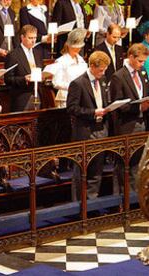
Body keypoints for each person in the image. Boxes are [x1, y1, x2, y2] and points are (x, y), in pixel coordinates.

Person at [67, 51, 111, 200]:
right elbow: (72, 108)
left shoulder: (103, 80)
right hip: (85, 132)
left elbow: (105, 101)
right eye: (101, 69)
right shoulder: (78, 83)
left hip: (101, 130)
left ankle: (92, 204)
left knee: (97, 171)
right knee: (82, 172)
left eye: (105, 69)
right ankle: (79, 207)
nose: (103, 72)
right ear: (92, 66)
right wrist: (93, 112)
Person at [110, 43, 149, 193]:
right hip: (127, 126)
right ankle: (124, 200)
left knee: (140, 164)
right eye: (140, 61)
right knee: (126, 165)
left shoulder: (143, 73)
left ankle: (138, 198)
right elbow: (118, 105)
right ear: (131, 57)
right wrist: (139, 108)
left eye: (144, 61)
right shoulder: (118, 76)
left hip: (142, 124)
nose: (142, 64)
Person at [4, 25, 44, 112]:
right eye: (30, 38)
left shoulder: (38, 53)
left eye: (35, 38)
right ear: (22, 37)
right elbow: (7, 79)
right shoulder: (13, 55)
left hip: (38, 94)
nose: (33, 41)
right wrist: (24, 79)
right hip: (22, 97)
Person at [52, 28, 88, 107]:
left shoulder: (82, 62)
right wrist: (73, 86)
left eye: (78, 47)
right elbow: (56, 82)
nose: (77, 49)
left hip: (81, 97)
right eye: (74, 47)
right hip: (65, 98)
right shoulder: (61, 61)